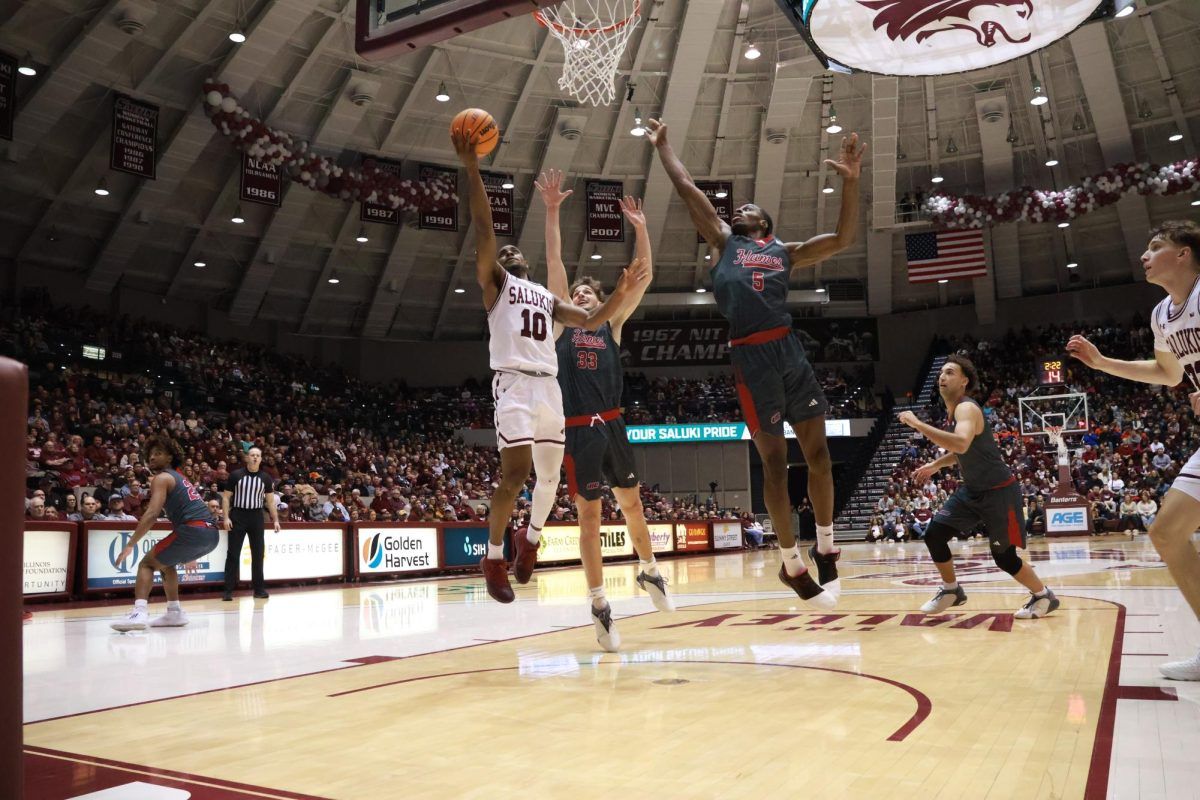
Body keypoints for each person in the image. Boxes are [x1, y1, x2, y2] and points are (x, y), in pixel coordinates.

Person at [646, 117, 865, 609]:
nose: (738, 209)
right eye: (736, 208)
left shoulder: (785, 252)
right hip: (750, 357)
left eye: (748, 207)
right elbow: (687, 190)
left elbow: (843, 237)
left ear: (763, 222)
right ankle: (790, 563)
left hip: (787, 349)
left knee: (820, 456)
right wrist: (665, 146)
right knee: (772, 463)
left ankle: (826, 545)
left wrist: (851, 182)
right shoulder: (726, 242)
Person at [452, 126, 650, 604]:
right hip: (515, 385)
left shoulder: (543, 296)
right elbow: (484, 229)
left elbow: (589, 317)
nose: (510, 251)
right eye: (504, 253)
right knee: (515, 476)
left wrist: (621, 294)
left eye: (514, 251)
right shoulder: (497, 285)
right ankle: (494, 555)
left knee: (549, 478)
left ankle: (531, 541)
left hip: (549, 390)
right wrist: (473, 169)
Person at [536, 168, 673, 650]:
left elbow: (644, 277)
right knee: (589, 519)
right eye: (575, 295)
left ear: (598, 300)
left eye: (587, 294)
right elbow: (553, 259)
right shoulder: (563, 330)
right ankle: (599, 606)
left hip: (614, 426)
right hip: (578, 431)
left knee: (633, 504)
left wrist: (640, 228)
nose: (580, 297)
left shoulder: (610, 325)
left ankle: (650, 571)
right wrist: (552, 209)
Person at [1067, 220, 1200, 678]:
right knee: (1166, 533)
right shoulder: (1162, 313)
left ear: (1183, 254)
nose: (1144, 255)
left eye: (1155, 246)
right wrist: (1103, 363)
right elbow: (1169, 374)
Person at [899, 355, 1059, 620]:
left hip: (999, 492)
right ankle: (952, 590)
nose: (942, 376)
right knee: (934, 534)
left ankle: (1043, 596)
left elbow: (960, 444)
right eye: (941, 372)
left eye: (950, 372)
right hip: (972, 490)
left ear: (964, 381)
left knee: (1004, 558)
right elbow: (963, 451)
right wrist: (937, 464)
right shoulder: (953, 413)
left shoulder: (966, 408)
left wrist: (917, 423)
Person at [110, 433, 220, 632]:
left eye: (158, 453)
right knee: (165, 562)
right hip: (211, 534)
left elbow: (152, 513)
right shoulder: (180, 477)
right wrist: (190, 550)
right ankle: (174, 611)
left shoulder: (162, 478)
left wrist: (130, 544)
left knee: (146, 563)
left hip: (194, 530)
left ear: (170, 457)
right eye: (150, 454)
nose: (152, 457)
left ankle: (139, 612)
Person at [221, 445, 280, 601]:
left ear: (260, 459)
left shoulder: (266, 478)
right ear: (247, 457)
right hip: (238, 515)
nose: (254, 457)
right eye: (252, 454)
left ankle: (259, 589)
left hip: (256, 517)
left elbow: (270, 502)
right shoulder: (236, 475)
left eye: (257, 455)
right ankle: (228, 591)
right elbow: (226, 497)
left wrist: (275, 520)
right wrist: (226, 517)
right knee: (233, 554)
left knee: (258, 554)